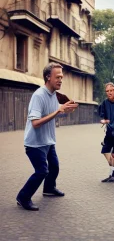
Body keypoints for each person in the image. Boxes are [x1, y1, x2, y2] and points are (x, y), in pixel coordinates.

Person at [16, 62, 78, 211]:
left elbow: (51, 115)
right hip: (35, 144)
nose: (60, 80)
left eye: (61, 77)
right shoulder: (39, 95)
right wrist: (58, 111)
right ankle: (23, 197)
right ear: (48, 77)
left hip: (48, 141)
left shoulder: (54, 95)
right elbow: (36, 123)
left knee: (54, 167)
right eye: (57, 77)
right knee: (42, 171)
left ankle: (49, 189)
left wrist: (64, 111)